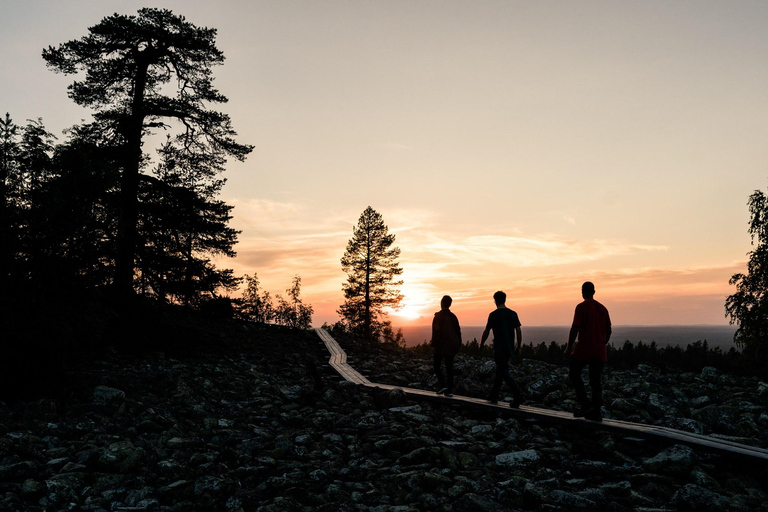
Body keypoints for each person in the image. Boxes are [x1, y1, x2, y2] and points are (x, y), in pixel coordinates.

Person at [564, 281, 612, 422]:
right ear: (594, 292)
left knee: (574, 374)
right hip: (599, 351)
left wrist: (568, 347)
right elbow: (609, 330)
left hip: (584, 349)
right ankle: (596, 411)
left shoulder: (581, 307)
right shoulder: (603, 309)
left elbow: (575, 328)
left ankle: (585, 405)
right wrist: (602, 343)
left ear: (582, 292)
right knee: (595, 380)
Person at [480, 291, 526, 408]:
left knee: (504, 370)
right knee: (500, 370)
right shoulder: (513, 314)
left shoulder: (493, 315)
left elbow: (487, 331)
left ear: (495, 301)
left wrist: (481, 344)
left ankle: (518, 394)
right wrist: (518, 346)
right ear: (505, 300)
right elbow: (518, 331)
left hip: (499, 347)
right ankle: (494, 395)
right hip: (509, 348)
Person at [431, 295, 462, 397]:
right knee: (449, 368)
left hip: (440, 346)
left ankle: (443, 385)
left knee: (437, 366)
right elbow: (458, 332)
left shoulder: (438, 316)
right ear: (450, 304)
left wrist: (433, 344)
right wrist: (459, 344)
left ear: (441, 303)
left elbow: (436, 332)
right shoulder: (453, 317)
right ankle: (449, 390)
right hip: (451, 346)